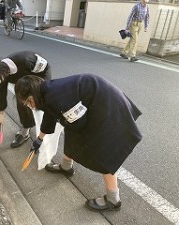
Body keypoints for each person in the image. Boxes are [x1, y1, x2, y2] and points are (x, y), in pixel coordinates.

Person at [14, 74, 142, 211]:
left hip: (106, 106)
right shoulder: (46, 91)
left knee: (102, 150)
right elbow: (50, 115)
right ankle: (66, 167)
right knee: (71, 130)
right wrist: (39, 139)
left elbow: (78, 124)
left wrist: (62, 120)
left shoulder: (55, 97)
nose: (28, 106)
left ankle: (113, 199)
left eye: (27, 102)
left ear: (31, 96)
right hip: (98, 100)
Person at [0, 51, 51, 148]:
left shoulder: (24, 60)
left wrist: (43, 89)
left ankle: (47, 131)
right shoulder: (1, 74)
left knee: (43, 102)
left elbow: (45, 67)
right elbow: (1, 92)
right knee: (21, 100)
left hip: (40, 74)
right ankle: (26, 129)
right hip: (23, 81)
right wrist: (0, 113)